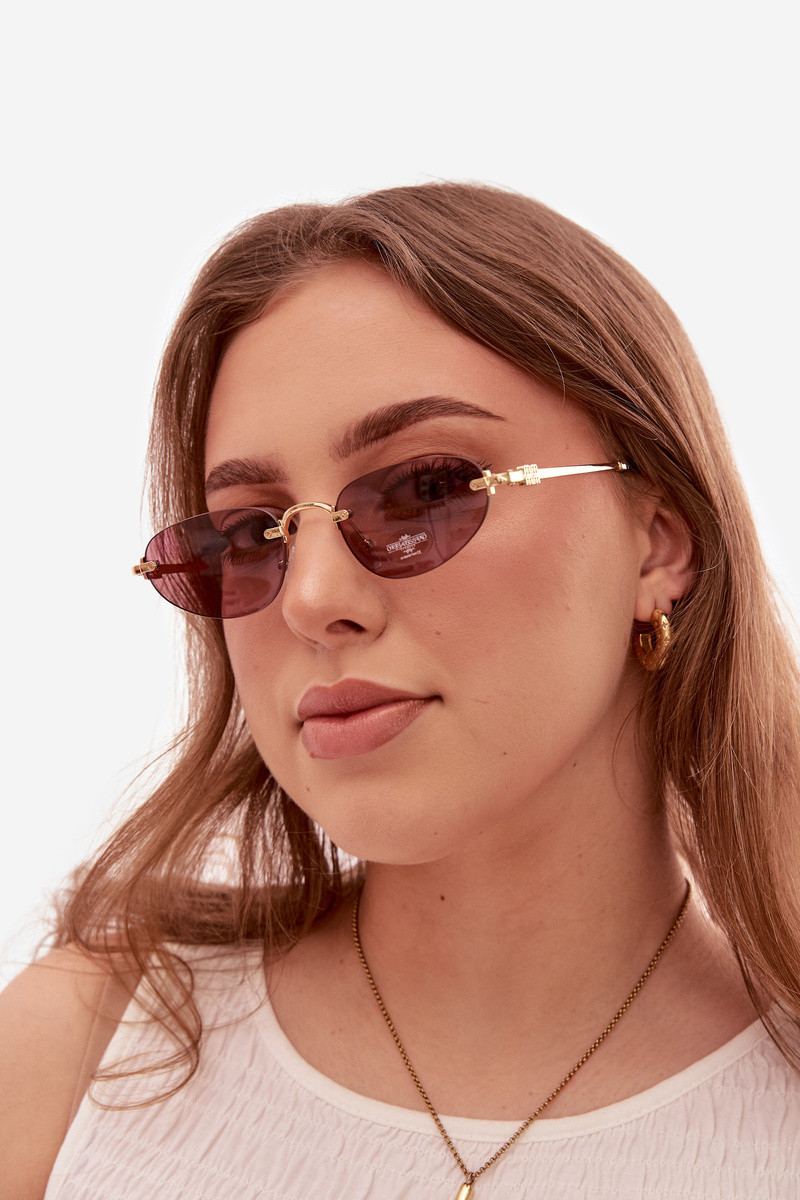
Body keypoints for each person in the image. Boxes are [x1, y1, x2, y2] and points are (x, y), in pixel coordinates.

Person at [2, 183, 799, 1200]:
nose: (312, 600)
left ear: (656, 545)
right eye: (250, 534)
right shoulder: (82, 1058)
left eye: (426, 488)